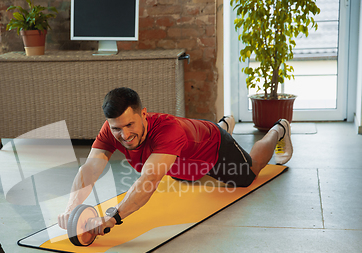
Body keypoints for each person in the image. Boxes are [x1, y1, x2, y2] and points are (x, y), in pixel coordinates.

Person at [57, 87, 292, 235]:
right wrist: (69, 208)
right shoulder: (111, 130)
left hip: (212, 149)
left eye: (130, 125)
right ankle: (224, 124)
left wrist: (114, 217)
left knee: (249, 174)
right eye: (117, 128)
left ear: (144, 114)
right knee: (186, 176)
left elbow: (148, 179)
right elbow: (89, 169)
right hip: (182, 161)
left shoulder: (168, 132)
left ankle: (277, 130)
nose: (125, 135)